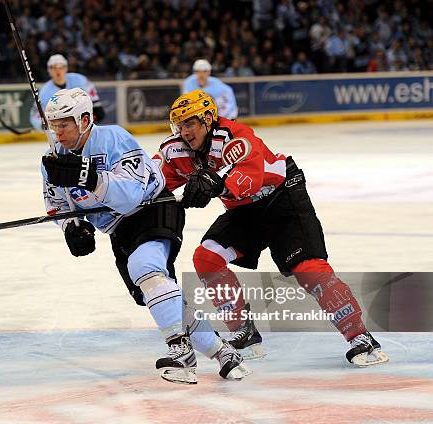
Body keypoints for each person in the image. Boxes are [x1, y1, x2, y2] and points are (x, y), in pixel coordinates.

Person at [153, 90, 389, 367]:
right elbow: (148, 183)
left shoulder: (234, 136)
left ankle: (360, 337)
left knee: (308, 269)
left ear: (208, 119)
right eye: (178, 125)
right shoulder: (175, 151)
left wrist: (216, 184)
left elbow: (250, 180)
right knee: (207, 257)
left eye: (189, 123)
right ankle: (244, 331)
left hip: (282, 198)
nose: (184, 132)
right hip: (244, 210)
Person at [40, 87, 250, 384]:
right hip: (118, 229)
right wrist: (72, 227)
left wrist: (86, 176)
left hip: (152, 208)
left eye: (64, 124)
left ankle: (181, 351)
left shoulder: (114, 138)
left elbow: (129, 196)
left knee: (144, 267)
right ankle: (222, 352)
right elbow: (57, 203)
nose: (57, 132)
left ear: (84, 119)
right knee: (153, 291)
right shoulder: (53, 158)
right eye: (53, 125)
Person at [30, 54, 104, 131]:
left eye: (61, 67)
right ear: (49, 70)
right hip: (62, 129)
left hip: (83, 124)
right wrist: (43, 125)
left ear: (66, 68)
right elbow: (35, 116)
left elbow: (97, 107)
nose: (58, 71)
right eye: (54, 67)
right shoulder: (44, 92)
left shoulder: (80, 80)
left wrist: (94, 112)